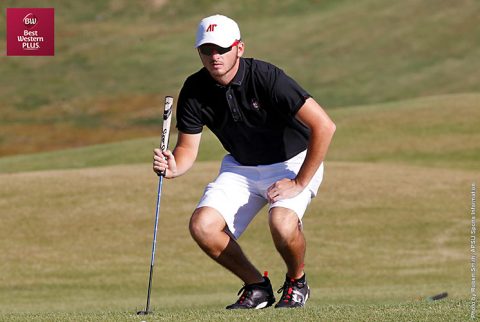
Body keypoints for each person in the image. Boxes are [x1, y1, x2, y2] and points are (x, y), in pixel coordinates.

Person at [153, 14, 336, 309]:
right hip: (241, 167)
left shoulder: (267, 77)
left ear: (239, 48)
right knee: (203, 226)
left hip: (293, 161)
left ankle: (296, 282)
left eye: (222, 49)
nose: (215, 57)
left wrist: (299, 181)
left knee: (282, 222)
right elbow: (187, 149)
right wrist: (175, 166)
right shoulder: (194, 89)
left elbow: (324, 126)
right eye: (207, 50)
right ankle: (256, 287)